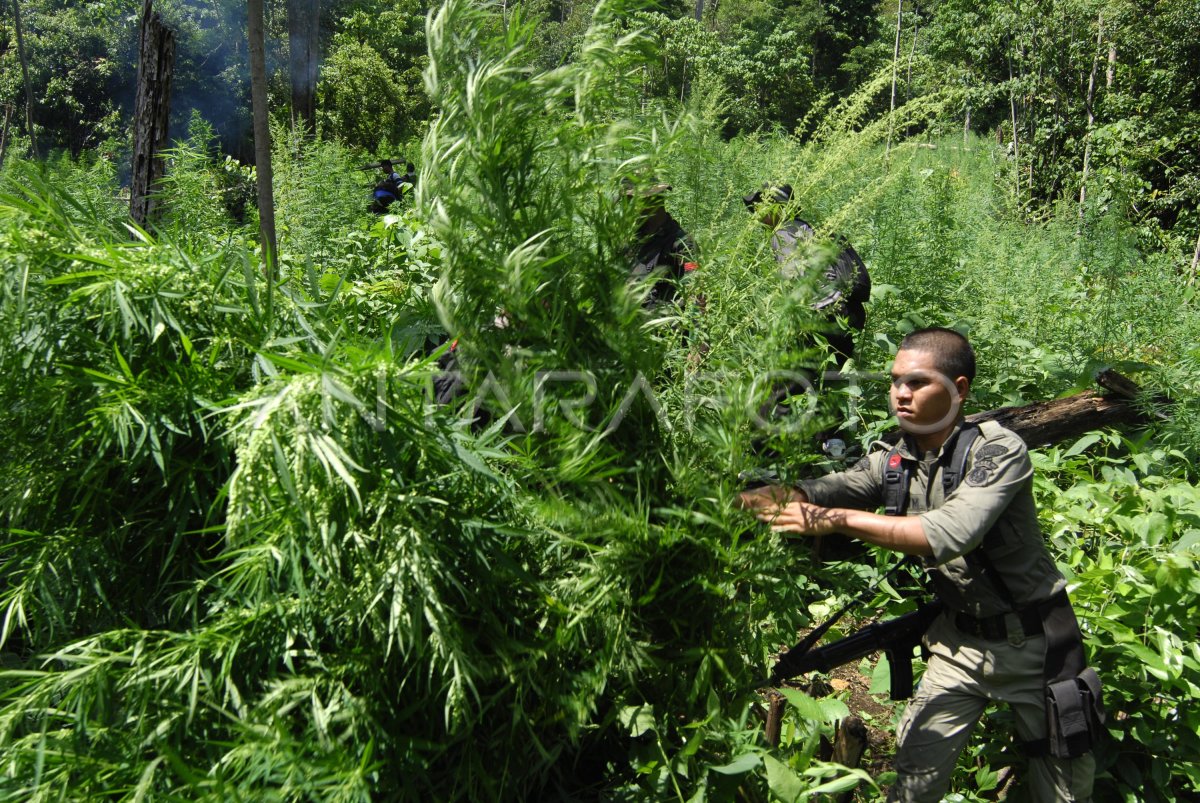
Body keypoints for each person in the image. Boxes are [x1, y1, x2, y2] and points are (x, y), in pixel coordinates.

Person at [740, 328, 1101, 801]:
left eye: (917, 383)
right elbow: (830, 487)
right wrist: (751, 502)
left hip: (1036, 647)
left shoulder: (998, 451)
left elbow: (949, 534)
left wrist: (830, 520)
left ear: (959, 389)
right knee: (911, 782)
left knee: (1063, 791)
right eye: (894, 382)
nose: (901, 394)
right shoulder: (896, 458)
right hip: (958, 644)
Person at [743, 183, 870, 364]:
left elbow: (795, 280)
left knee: (795, 379)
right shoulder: (804, 227)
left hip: (825, 313)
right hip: (846, 309)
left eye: (760, 205)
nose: (756, 213)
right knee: (836, 377)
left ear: (778, 206)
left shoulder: (783, 233)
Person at [625, 181, 698, 310]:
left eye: (632, 202)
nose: (628, 209)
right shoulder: (634, 240)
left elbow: (696, 293)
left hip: (666, 326)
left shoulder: (684, 245)